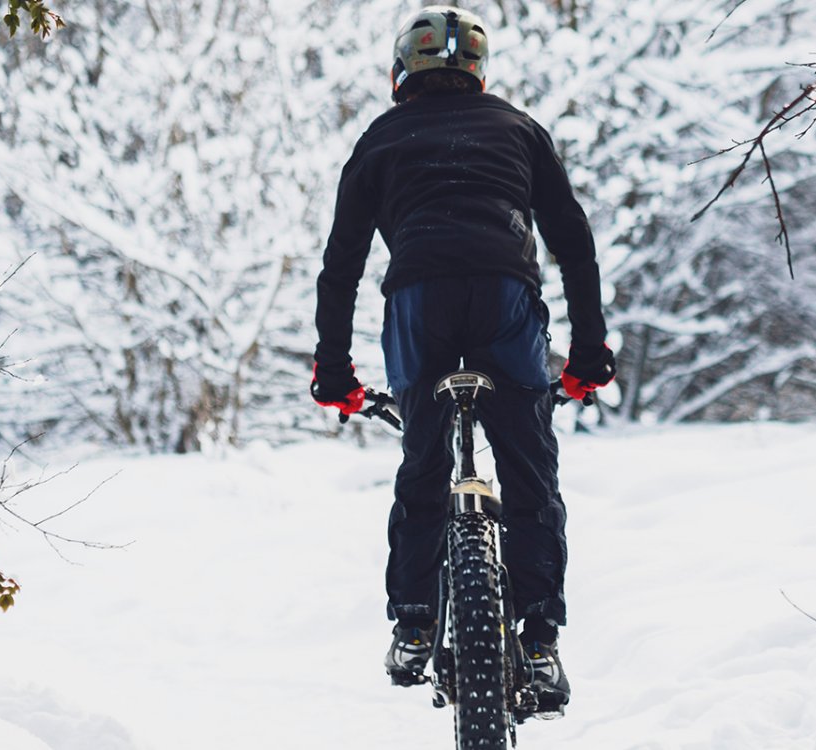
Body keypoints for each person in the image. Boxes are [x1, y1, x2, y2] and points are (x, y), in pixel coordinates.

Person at [310, 5, 615, 708]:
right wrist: (588, 353)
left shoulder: (379, 140)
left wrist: (334, 372)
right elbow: (574, 243)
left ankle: (415, 626)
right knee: (530, 471)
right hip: (505, 296)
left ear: (401, 71)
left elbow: (341, 265)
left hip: (420, 302)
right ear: (478, 71)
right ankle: (538, 641)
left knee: (423, 465)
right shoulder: (518, 129)